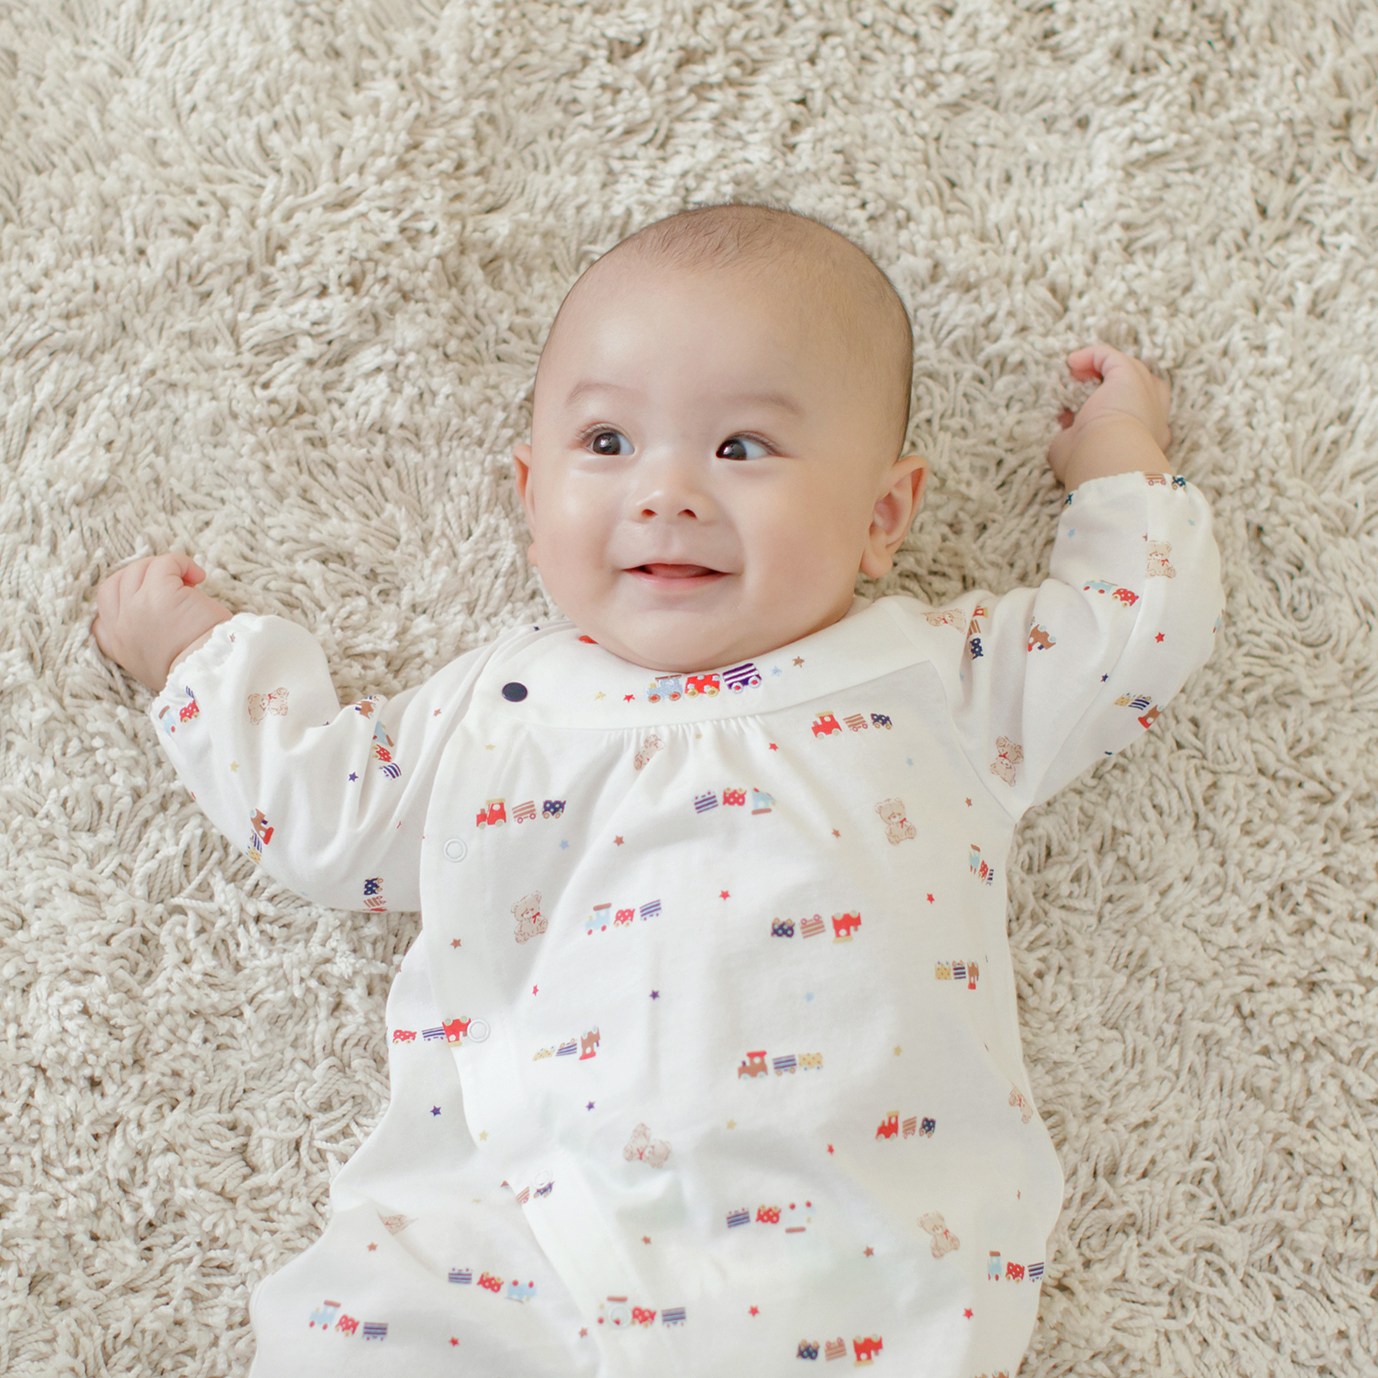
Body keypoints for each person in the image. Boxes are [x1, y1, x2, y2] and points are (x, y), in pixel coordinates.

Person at [91, 204, 1223, 1377]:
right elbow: (326, 815)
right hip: (512, 1231)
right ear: (531, 495)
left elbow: (1134, 625)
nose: (667, 490)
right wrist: (198, 657)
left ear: (881, 515)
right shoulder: (502, 706)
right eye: (606, 442)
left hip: (843, 1253)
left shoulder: (942, 679)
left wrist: (1118, 453)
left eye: (741, 448)